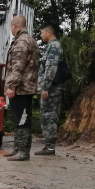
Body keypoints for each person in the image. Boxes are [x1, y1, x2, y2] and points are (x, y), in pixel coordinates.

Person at [3, 15, 39, 161]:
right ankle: (18, 148)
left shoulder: (21, 42)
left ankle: (23, 151)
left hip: (21, 88)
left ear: (14, 26)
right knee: (19, 118)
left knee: (22, 119)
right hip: (25, 87)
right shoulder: (30, 39)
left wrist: (11, 86)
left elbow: (17, 66)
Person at [35, 23, 66, 156]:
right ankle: (49, 146)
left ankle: (50, 147)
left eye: (42, 33)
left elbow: (51, 69)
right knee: (47, 116)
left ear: (49, 33)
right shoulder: (50, 46)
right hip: (50, 88)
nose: (41, 35)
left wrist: (45, 87)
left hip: (52, 89)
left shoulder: (54, 46)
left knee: (50, 116)